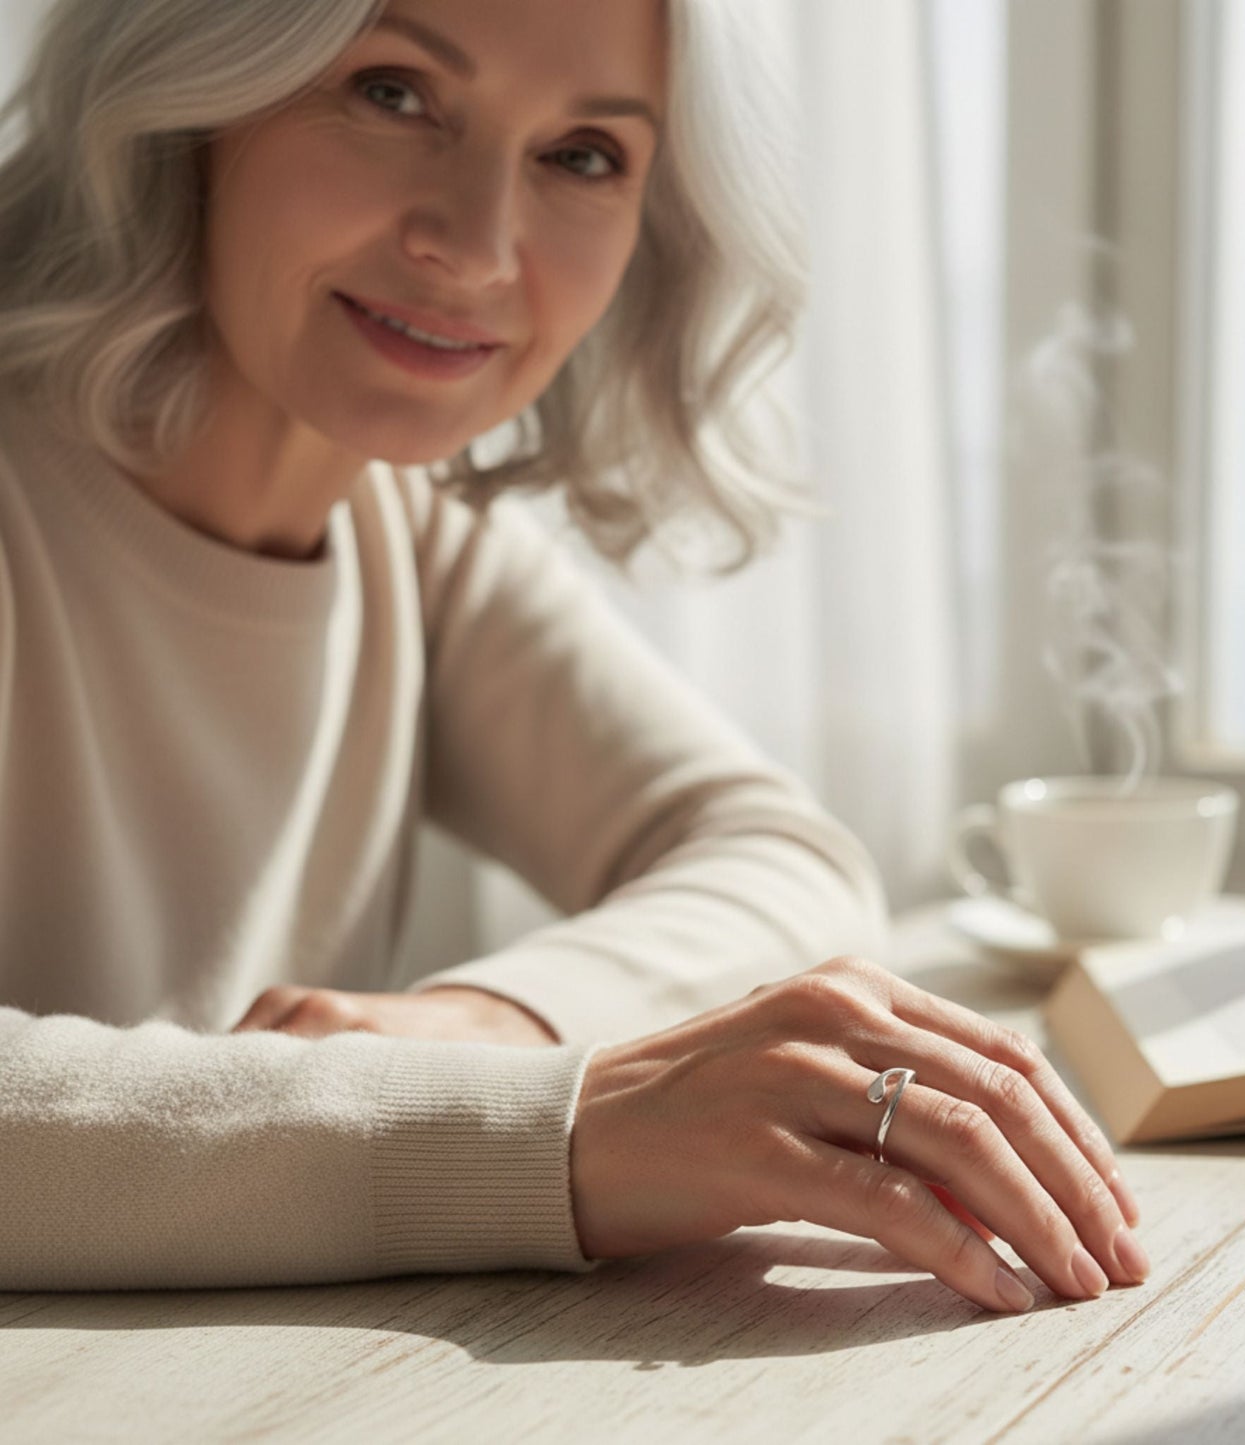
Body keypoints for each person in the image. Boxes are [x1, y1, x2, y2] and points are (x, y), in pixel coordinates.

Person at [0, 0, 1148, 1312]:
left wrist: (497, 1027)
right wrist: (536, 1129)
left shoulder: (408, 532)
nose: (475, 246)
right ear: (189, 88)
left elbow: (784, 858)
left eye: (584, 156)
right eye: (391, 93)